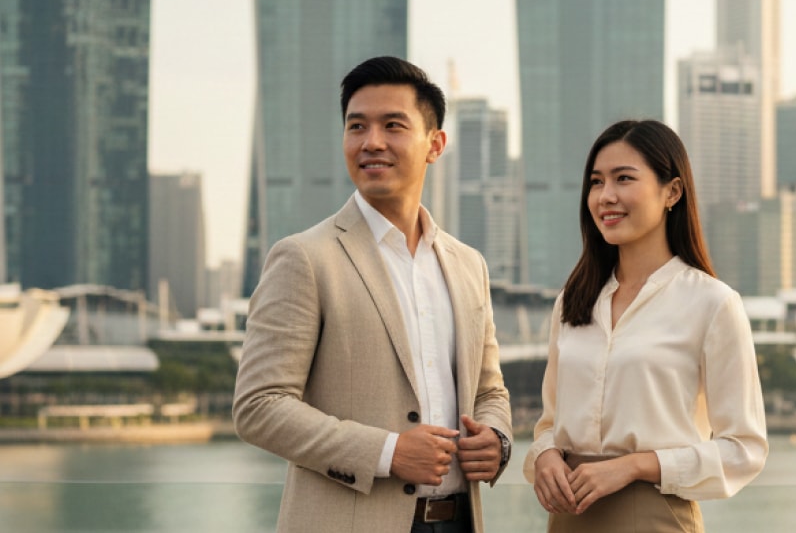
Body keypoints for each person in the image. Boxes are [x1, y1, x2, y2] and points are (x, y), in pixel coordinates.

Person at [233, 56, 512, 533]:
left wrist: (498, 438)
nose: (371, 142)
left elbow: (489, 390)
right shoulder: (303, 257)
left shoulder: (469, 265)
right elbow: (259, 406)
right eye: (356, 126)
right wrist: (389, 452)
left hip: (461, 521)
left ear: (435, 144)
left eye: (393, 126)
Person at [524, 119, 768, 532]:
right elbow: (550, 423)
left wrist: (636, 466)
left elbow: (745, 449)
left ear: (672, 191)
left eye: (624, 179)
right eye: (597, 182)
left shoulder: (712, 303)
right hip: (566, 517)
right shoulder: (573, 300)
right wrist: (545, 454)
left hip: (655, 516)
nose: (606, 196)